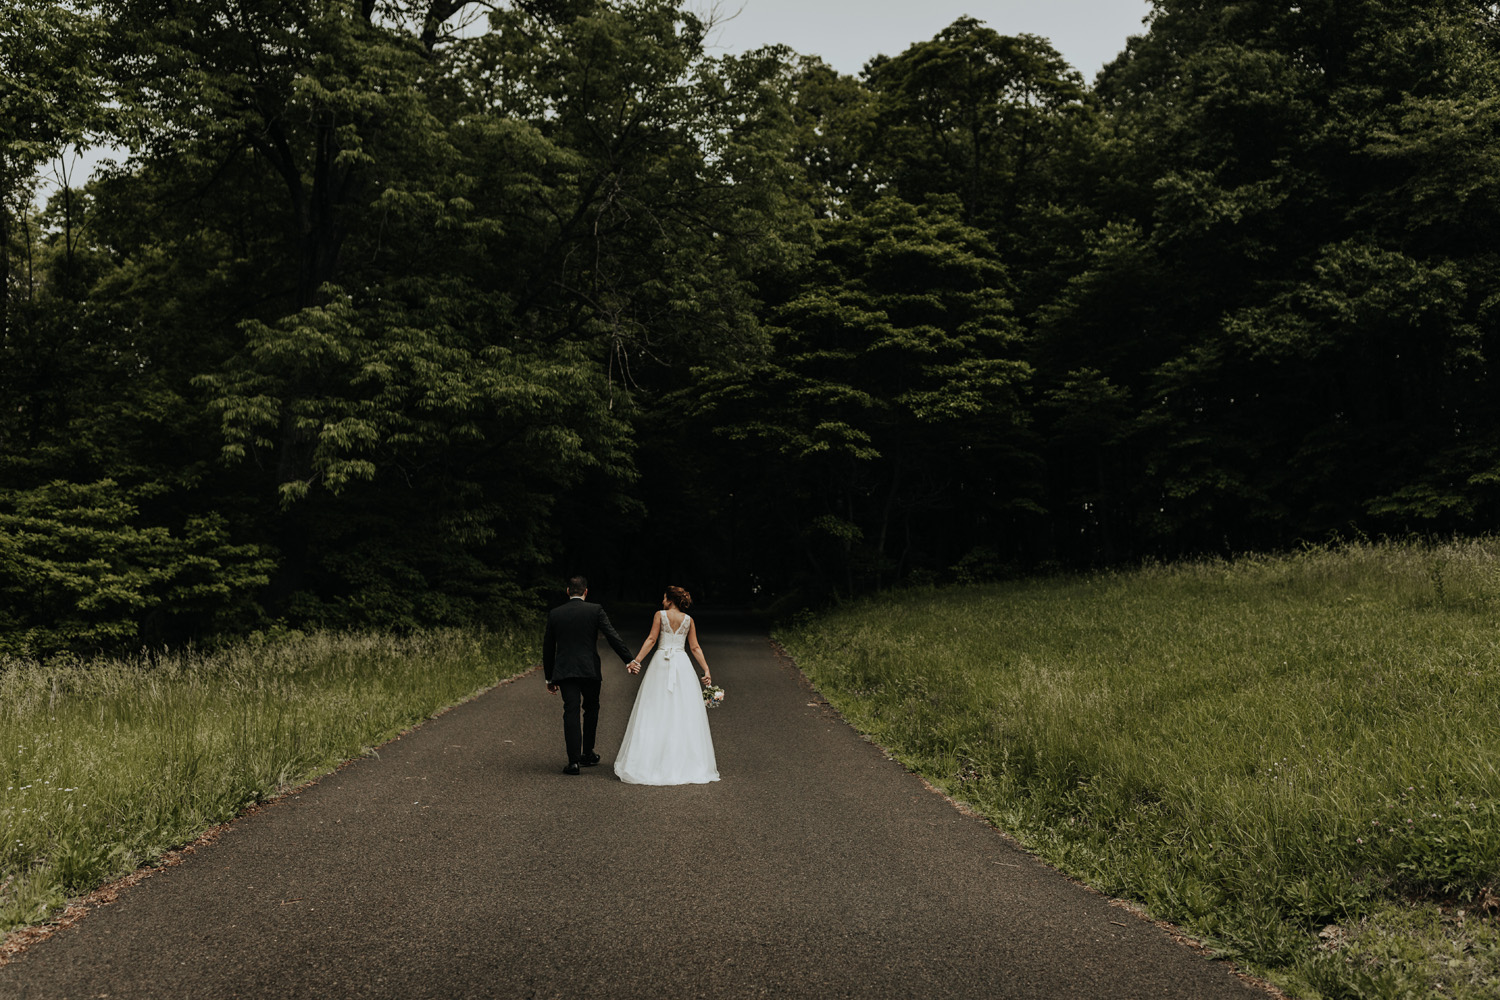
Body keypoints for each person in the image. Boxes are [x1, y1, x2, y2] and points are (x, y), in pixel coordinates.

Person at [613, 586, 719, 785]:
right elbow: (695, 647)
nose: (662, 601)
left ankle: (648, 761)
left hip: (662, 663)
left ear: (670, 600)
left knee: (654, 707)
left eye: (664, 598)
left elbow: (652, 639)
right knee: (682, 710)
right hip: (682, 664)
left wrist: (636, 661)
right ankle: (685, 762)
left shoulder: (660, 615)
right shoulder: (688, 620)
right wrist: (706, 670)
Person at [542, 575, 640, 776]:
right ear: (586, 592)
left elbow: (548, 647)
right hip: (590, 670)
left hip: (565, 670)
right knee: (591, 708)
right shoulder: (595, 610)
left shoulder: (555, 613)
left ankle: (573, 762)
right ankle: (587, 753)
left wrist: (549, 677)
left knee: (571, 710)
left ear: (567, 591)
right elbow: (612, 636)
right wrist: (628, 660)